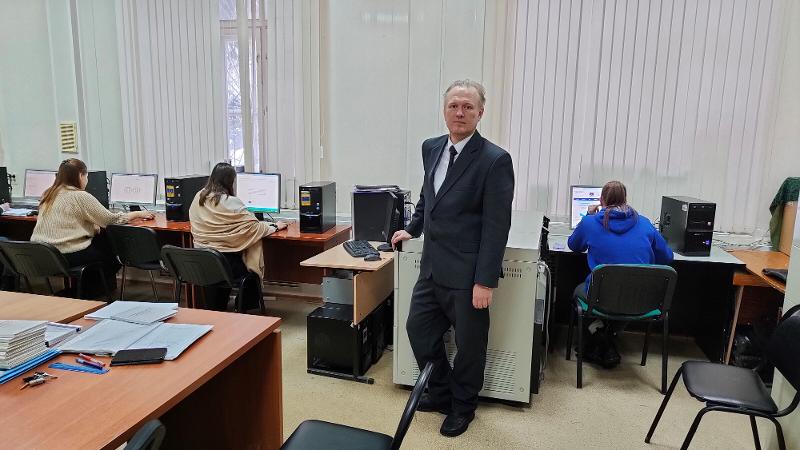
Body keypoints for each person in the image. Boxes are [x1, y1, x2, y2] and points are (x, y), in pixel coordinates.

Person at [391, 80, 514, 437]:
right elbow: (429, 196)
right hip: (432, 267)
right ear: (444, 110)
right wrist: (412, 228)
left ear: (480, 113)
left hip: (468, 274)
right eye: (453, 106)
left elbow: (496, 226)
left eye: (467, 107)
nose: (459, 112)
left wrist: (485, 280)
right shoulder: (431, 148)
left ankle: (463, 407)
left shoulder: (494, 160)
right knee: (418, 329)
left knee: (470, 347)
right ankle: (442, 392)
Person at [567, 180, 673, 367]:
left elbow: (574, 245)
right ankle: (606, 337)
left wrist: (589, 217)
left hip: (601, 298)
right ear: (625, 199)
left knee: (579, 292)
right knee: (626, 296)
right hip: (641, 300)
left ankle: (598, 334)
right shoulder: (645, 223)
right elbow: (667, 257)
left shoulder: (590, 222)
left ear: (601, 200)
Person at [30, 158, 154, 295]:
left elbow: (66, 222)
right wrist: (138, 213)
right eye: (86, 176)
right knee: (115, 249)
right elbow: (112, 221)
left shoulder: (48, 193)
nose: (87, 180)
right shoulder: (80, 196)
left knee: (101, 239)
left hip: (43, 254)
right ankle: (84, 292)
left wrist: (93, 227)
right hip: (66, 255)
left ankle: (82, 290)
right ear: (80, 175)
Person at [189, 162, 288, 311]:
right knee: (252, 272)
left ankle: (217, 308)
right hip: (224, 262)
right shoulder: (231, 202)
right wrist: (274, 226)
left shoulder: (199, 197)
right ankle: (243, 308)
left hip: (203, 260)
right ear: (230, 181)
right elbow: (254, 228)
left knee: (222, 271)